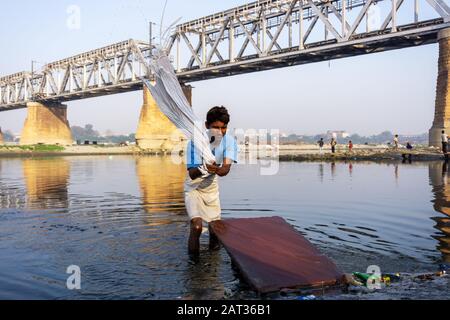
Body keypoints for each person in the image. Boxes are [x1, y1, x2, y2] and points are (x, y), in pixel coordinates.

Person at [185, 106, 238, 255]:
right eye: (215, 127)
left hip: (211, 187)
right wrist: (204, 168)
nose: (220, 132)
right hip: (194, 188)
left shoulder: (229, 142)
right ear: (207, 126)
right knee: (196, 227)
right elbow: (192, 174)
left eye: (224, 128)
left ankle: (213, 264)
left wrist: (215, 169)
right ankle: (194, 267)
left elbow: (224, 170)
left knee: (216, 229)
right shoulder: (196, 143)